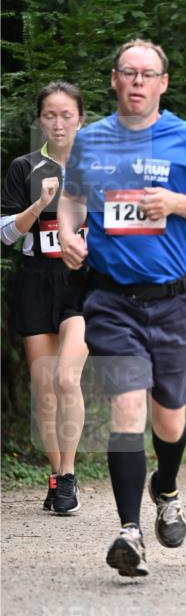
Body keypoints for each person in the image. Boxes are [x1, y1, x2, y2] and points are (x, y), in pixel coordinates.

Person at [58, 39, 186, 577]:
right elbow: (72, 197)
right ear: (114, 80)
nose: (137, 82)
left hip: (176, 302)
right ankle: (129, 531)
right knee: (127, 409)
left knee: (169, 418)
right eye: (128, 73)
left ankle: (167, 488)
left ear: (163, 83)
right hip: (112, 301)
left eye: (147, 74)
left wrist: (175, 202)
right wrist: (67, 233)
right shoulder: (92, 140)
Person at [1, 82, 88, 515]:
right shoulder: (24, 167)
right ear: (40, 120)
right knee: (45, 388)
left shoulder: (99, 168)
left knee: (67, 378)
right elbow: (4, 234)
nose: (58, 123)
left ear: (80, 120)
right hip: (36, 280)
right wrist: (39, 205)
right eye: (50, 115)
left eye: (66, 115)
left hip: (83, 283)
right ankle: (56, 476)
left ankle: (68, 476)